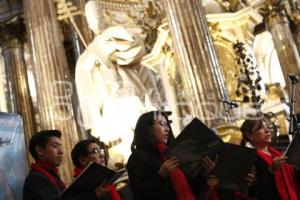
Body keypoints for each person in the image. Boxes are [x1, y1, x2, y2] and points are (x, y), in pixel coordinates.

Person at [75, 0, 162, 168]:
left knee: (144, 130)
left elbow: (136, 51)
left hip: (131, 96)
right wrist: (94, 56)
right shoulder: (87, 57)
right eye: (92, 18)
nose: (96, 21)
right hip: (113, 103)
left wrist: (106, 49)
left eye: (99, 15)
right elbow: (86, 84)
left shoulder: (115, 39)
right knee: (126, 146)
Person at [126, 111, 205, 200]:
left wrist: (206, 176)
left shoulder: (172, 153)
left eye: (167, 125)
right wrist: (161, 175)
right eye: (162, 124)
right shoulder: (137, 158)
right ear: (147, 128)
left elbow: (190, 186)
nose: (167, 129)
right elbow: (139, 195)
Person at [240, 118, 300, 199]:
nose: (267, 130)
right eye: (261, 128)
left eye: (267, 127)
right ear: (249, 135)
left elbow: (294, 179)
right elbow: (251, 192)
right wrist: (271, 171)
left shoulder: (277, 153)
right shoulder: (249, 159)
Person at [23, 130, 65, 200]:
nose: (61, 151)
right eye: (55, 146)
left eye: (60, 146)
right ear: (40, 150)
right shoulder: (36, 178)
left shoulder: (51, 173)